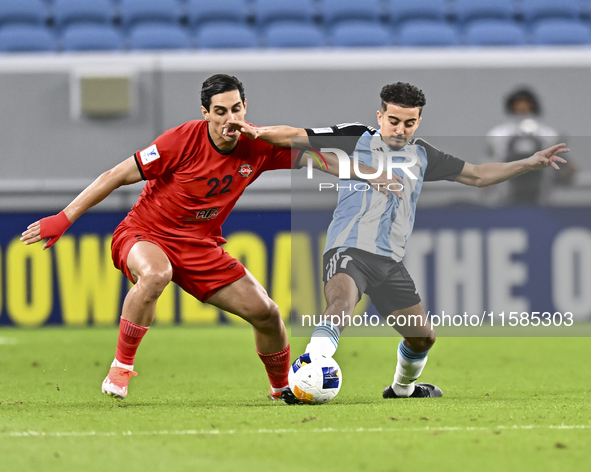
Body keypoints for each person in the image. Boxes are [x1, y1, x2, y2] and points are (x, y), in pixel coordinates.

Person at [20, 74, 397, 401]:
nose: (230, 120)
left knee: (267, 314)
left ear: (245, 107)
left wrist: (367, 174)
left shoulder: (259, 144)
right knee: (155, 274)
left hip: (200, 247)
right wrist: (64, 218)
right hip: (145, 233)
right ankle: (121, 367)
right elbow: (116, 175)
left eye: (236, 109)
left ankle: (282, 388)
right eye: (220, 112)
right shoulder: (179, 141)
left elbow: (318, 159)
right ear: (206, 113)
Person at [225, 82, 569, 402]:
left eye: (409, 123)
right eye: (393, 121)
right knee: (342, 303)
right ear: (380, 117)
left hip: (389, 263)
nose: (400, 130)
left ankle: (402, 389)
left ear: (418, 122)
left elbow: (477, 175)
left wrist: (527, 163)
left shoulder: (423, 156)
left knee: (422, 338)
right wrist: (257, 131)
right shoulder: (355, 137)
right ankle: (311, 364)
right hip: (348, 248)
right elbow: (296, 136)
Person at [486, 87, 575, 205]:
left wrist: (568, 171)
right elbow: (487, 162)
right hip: (506, 198)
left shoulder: (549, 135)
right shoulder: (497, 134)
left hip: (542, 199)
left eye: (526, 105)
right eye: (518, 105)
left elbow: (564, 167)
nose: (522, 109)